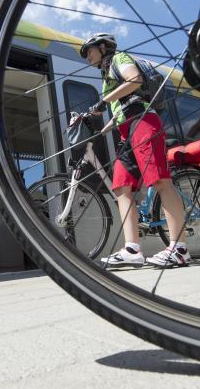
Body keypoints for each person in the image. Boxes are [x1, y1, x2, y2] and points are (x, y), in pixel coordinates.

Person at [80, 33, 189, 268]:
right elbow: (119, 111)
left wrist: (103, 102)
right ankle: (132, 249)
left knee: (160, 181)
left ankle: (179, 249)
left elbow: (135, 80)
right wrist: (96, 123)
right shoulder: (107, 74)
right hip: (125, 129)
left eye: (89, 52)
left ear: (102, 47)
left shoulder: (119, 58)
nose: (88, 58)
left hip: (143, 121)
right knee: (121, 186)